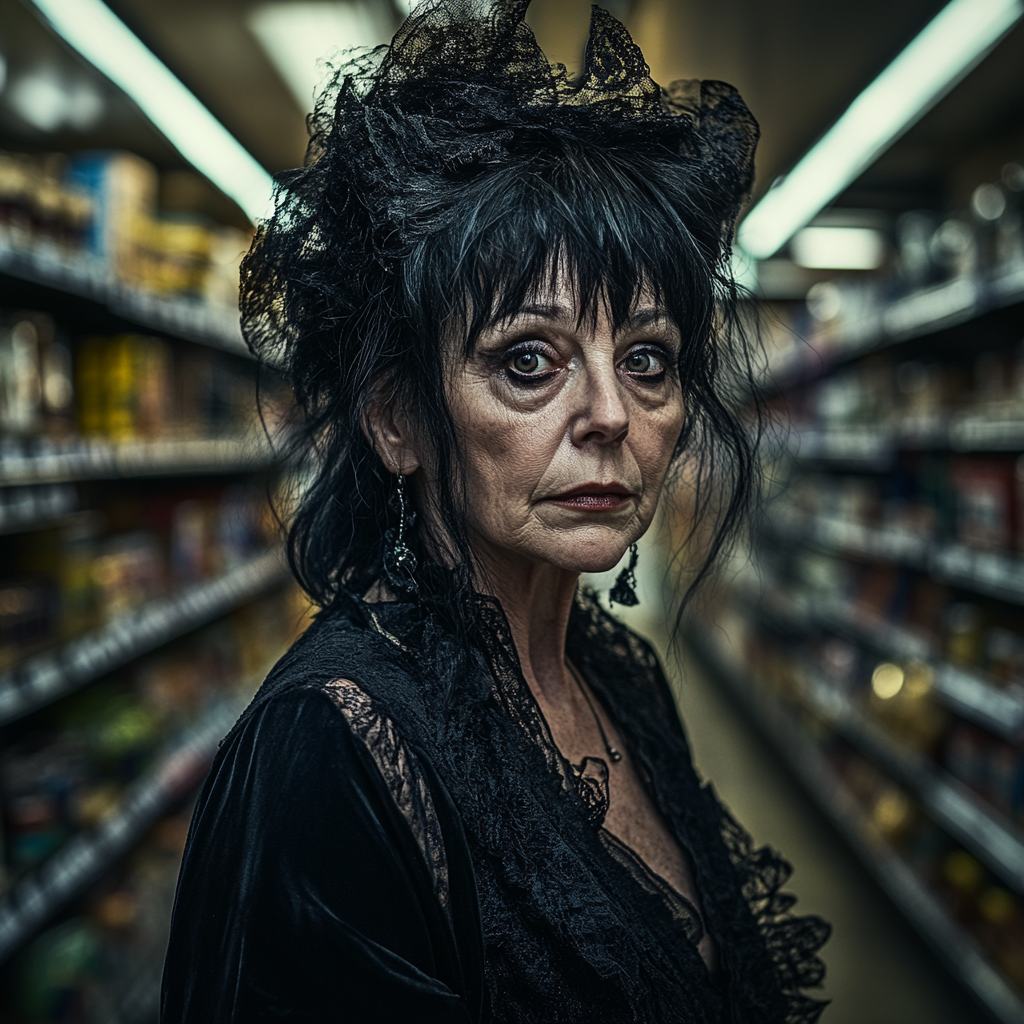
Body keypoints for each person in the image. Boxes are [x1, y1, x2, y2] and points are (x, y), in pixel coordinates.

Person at [161, 2, 829, 1021]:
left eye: (647, 359)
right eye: (529, 361)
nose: (612, 414)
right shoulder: (327, 753)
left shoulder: (618, 674)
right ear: (395, 420)